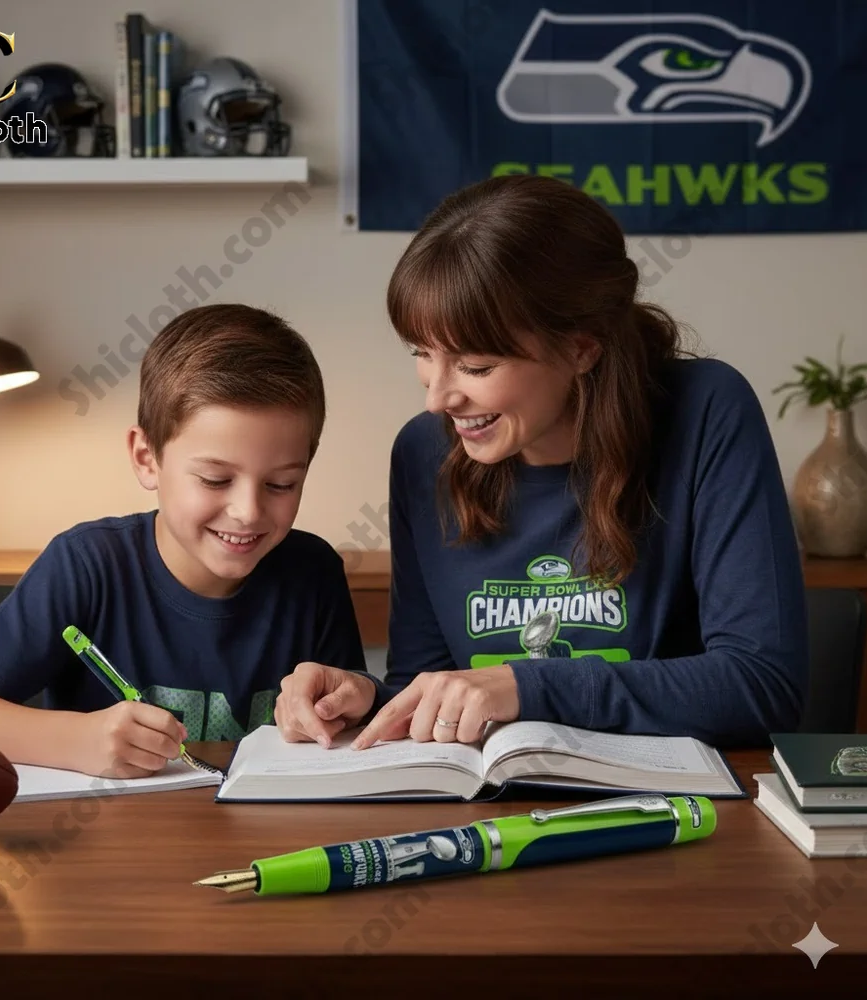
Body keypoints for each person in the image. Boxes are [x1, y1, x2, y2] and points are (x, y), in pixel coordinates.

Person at [274, 174, 808, 751]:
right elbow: (427, 685)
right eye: (422, 353)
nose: (437, 398)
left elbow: (762, 685)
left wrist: (526, 686)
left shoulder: (707, 411)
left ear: (581, 348)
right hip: (490, 798)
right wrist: (366, 699)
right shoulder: (422, 452)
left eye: (476, 367)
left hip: (673, 796)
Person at [0, 304, 369, 777]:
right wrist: (78, 740)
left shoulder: (313, 572)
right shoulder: (86, 565)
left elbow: (352, 723)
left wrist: (347, 701)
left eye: (281, 484)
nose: (249, 511)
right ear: (146, 457)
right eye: (215, 479)